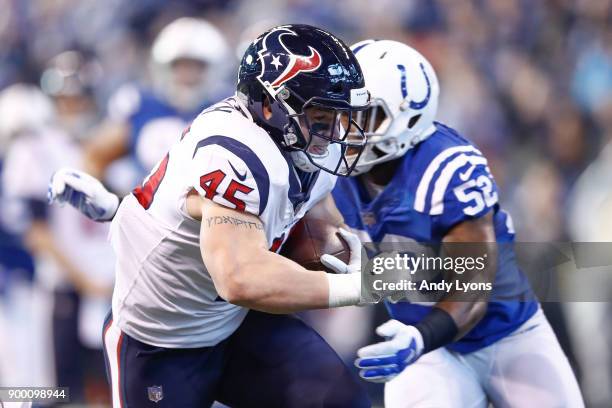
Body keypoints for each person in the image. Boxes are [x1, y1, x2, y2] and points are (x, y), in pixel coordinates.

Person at [50, 24, 372, 407]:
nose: (334, 131)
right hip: (162, 341)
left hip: (235, 325)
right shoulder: (234, 154)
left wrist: (396, 268)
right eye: (320, 115)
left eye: (338, 115)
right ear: (270, 105)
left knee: (337, 400)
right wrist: (358, 287)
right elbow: (240, 278)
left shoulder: (299, 145)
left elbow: (324, 230)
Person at [332, 39, 584, 407]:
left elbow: (471, 288)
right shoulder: (335, 170)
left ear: (409, 114)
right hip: (424, 348)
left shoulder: (449, 167)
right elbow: (317, 239)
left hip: (505, 335)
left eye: (365, 116)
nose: (347, 130)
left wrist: (420, 335)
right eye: (342, 114)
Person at [1, 75, 114, 404]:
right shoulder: (35, 154)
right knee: (34, 387)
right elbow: (35, 233)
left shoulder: (94, 149)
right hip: (29, 287)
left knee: (93, 385)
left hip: (86, 284)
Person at [83, 17, 232, 190]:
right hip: (144, 209)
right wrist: (115, 203)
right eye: (180, 66)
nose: (187, 75)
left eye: (196, 67)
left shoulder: (226, 109)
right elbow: (95, 157)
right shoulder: (139, 104)